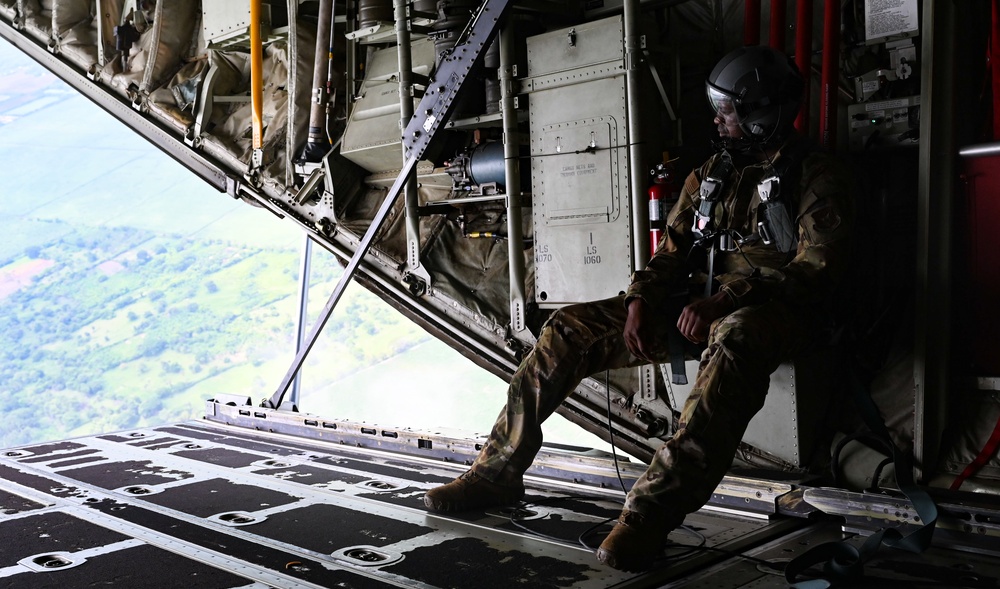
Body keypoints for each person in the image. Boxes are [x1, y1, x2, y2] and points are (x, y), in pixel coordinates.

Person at [423, 45, 854, 572]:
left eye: (728, 112)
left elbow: (820, 271)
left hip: (782, 314)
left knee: (736, 334)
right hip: (702, 305)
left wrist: (726, 299)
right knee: (568, 328)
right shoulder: (711, 174)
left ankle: (648, 516)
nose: (717, 121)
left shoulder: (816, 178)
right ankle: (497, 471)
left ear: (762, 116)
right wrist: (640, 301)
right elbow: (670, 252)